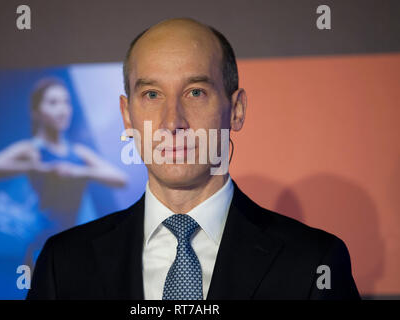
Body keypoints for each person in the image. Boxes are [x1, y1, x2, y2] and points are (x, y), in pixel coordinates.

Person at [26, 18, 360, 300]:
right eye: (152, 95)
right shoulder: (64, 263)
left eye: (195, 92)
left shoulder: (314, 262)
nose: (173, 122)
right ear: (127, 117)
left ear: (237, 109)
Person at [0, 78, 128, 267]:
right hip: (43, 246)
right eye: (53, 103)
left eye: (66, 102)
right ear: (37, 112)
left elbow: (120, 179)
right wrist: (34, 167)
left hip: (76, 244)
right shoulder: (30, 150)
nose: (62, 109)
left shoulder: (79, 153)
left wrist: (79, 172)